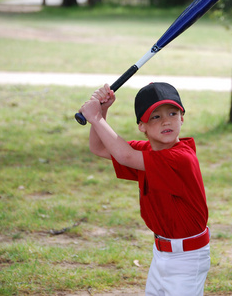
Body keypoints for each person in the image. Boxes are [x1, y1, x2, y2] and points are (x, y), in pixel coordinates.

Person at [79, 82, 210, 296]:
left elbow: (125, 156)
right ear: (142, 126)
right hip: (161, 254)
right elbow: (100, 147)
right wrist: (102, 110)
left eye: (172, 113)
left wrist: (96, 118)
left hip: (187, 258)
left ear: (182, 118)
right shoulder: (147, 152)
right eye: (155, 117)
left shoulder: (180, 158)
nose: (166, 120)